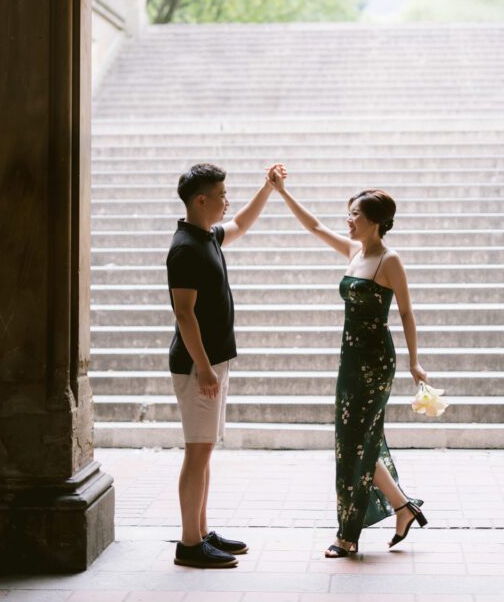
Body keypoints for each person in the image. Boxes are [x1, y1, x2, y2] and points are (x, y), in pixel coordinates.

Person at [268, 166, 429, 557]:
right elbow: (315, 226)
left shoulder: (390, 261)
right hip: (350, 360)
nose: (349, 220)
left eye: (355, 214)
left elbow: (407, 313)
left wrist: (415, 362)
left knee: (354, 445)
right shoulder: (355, 251)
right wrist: (282, 192)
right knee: (354, 441)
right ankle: (403, 507)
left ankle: (347, 535)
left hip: (375, 364)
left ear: (374, 221)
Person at [166, 161, 281, 569]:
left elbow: (242, 224)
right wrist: (204, 367)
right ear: (201, 200)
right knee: (197, 452)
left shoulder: (208, 236)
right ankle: (189, 544)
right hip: (198, 366)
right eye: (221, 195)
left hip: (213, 361)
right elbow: (184, 313)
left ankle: (201, 532)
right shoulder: (185, 248)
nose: (226, 201)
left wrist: (267, 189)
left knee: (205, 450)